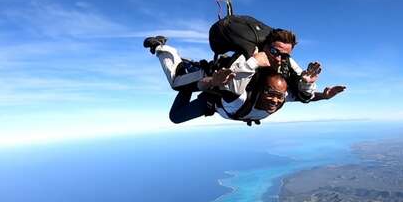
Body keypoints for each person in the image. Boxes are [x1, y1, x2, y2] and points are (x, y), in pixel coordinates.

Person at [144, 29, 346, 125]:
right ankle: (162, 47)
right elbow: (226, 85)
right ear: (266, 47)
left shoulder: (282, 85)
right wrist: (253, 62)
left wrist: (322, 95)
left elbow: (302, 97)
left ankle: (191, 77)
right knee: (177, 84)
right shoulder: (243, 79)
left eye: (285, 55)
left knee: (176, 117)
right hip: (215, 88)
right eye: (275, 52)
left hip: (225, 103)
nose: (276, 100)